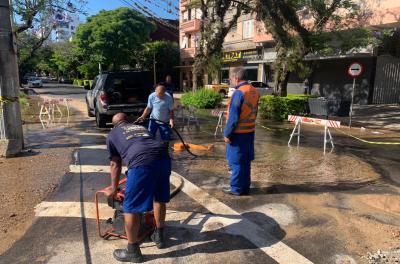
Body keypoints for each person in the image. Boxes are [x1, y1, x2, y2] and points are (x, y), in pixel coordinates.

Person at [105, 113, 171, 262]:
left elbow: (115, 163)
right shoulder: (140, 127)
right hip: (163, 159)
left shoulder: (112, 134)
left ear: (114, 124)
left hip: (142, 163)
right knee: (159, 198)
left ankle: (133, 251)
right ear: (128, 121)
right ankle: (159, 237)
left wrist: (114, 188)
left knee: (131, 207)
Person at [223, 68, 260, 196]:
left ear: (236, 78)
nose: (231, 81)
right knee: (245, 161)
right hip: (250, 131)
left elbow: (233, 118)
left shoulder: (239, 93)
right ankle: (245, 187)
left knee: (236, 161)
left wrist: (227, 134)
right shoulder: (255, 91)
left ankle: (236, 189)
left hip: (238, 134)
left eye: (231, 79)